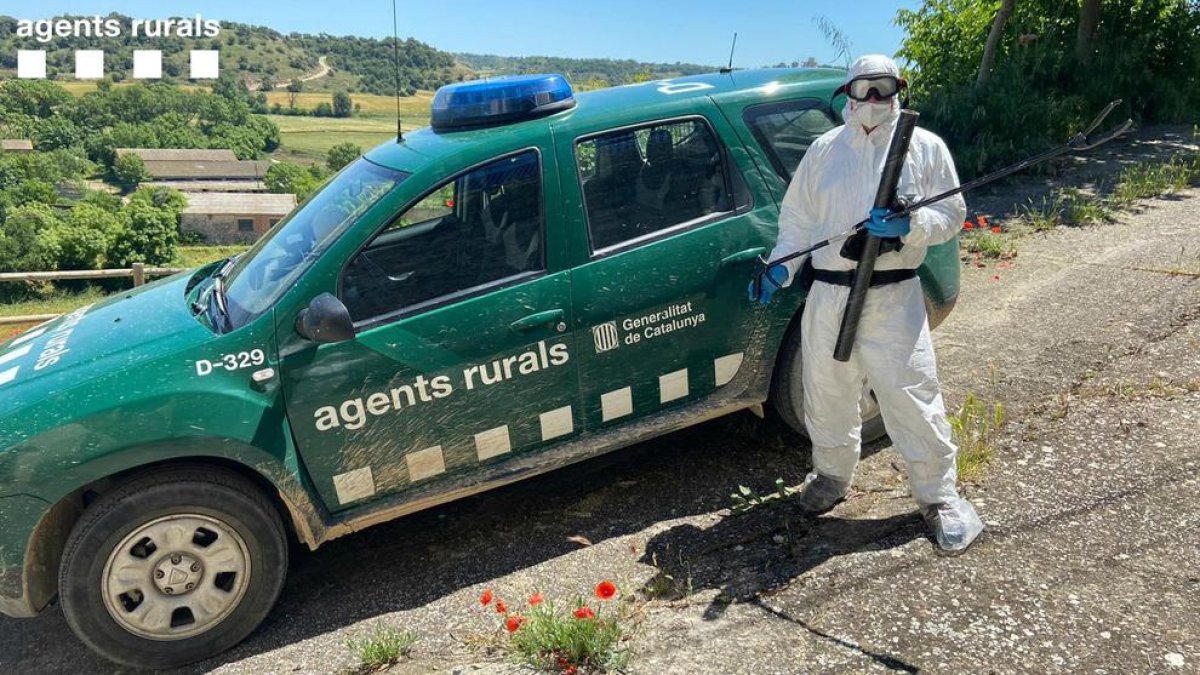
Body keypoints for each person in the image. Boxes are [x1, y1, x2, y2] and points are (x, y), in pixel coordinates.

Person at [749, 54, 983, 553]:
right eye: (863, 90)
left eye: (884, 89)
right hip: (830, 294)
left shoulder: (924, 147)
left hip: (893, 296)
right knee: (826, 391)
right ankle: (831, 475)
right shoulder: (823, 151)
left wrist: (910, 226)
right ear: (847, 94)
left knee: (910, 394)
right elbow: (799, 222)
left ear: (899, 89)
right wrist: (781, 266)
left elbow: (952, 212)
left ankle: (940, 497)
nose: (874, 101)